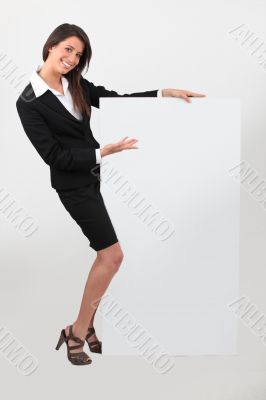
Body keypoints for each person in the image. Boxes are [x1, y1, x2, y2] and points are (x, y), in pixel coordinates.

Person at [16, 23, 206, 366]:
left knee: (111, 257)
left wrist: (163, 93)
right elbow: (54, 156)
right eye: (68, 49)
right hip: (73, 185)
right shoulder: (28, 101)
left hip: (99, 178)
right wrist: (103, 152)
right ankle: (76, 330)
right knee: (112, 256)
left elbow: (114, 100)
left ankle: (84, 328)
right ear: (50, 46)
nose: (73, 59)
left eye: (79, 54)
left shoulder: (74, 84)